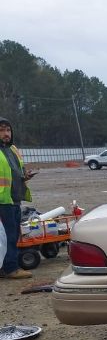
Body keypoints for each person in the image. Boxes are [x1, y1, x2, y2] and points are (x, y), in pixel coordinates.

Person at [0, 116, 35, 279]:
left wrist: (25, 176)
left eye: (8, 130)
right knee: (9, 236)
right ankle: (11, 268)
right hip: (3, 201)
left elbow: (16, 172)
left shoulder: (13, 149)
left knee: (12, 234)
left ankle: (6, 266)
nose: (6, 133)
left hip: (14, 199)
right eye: (1, 130)